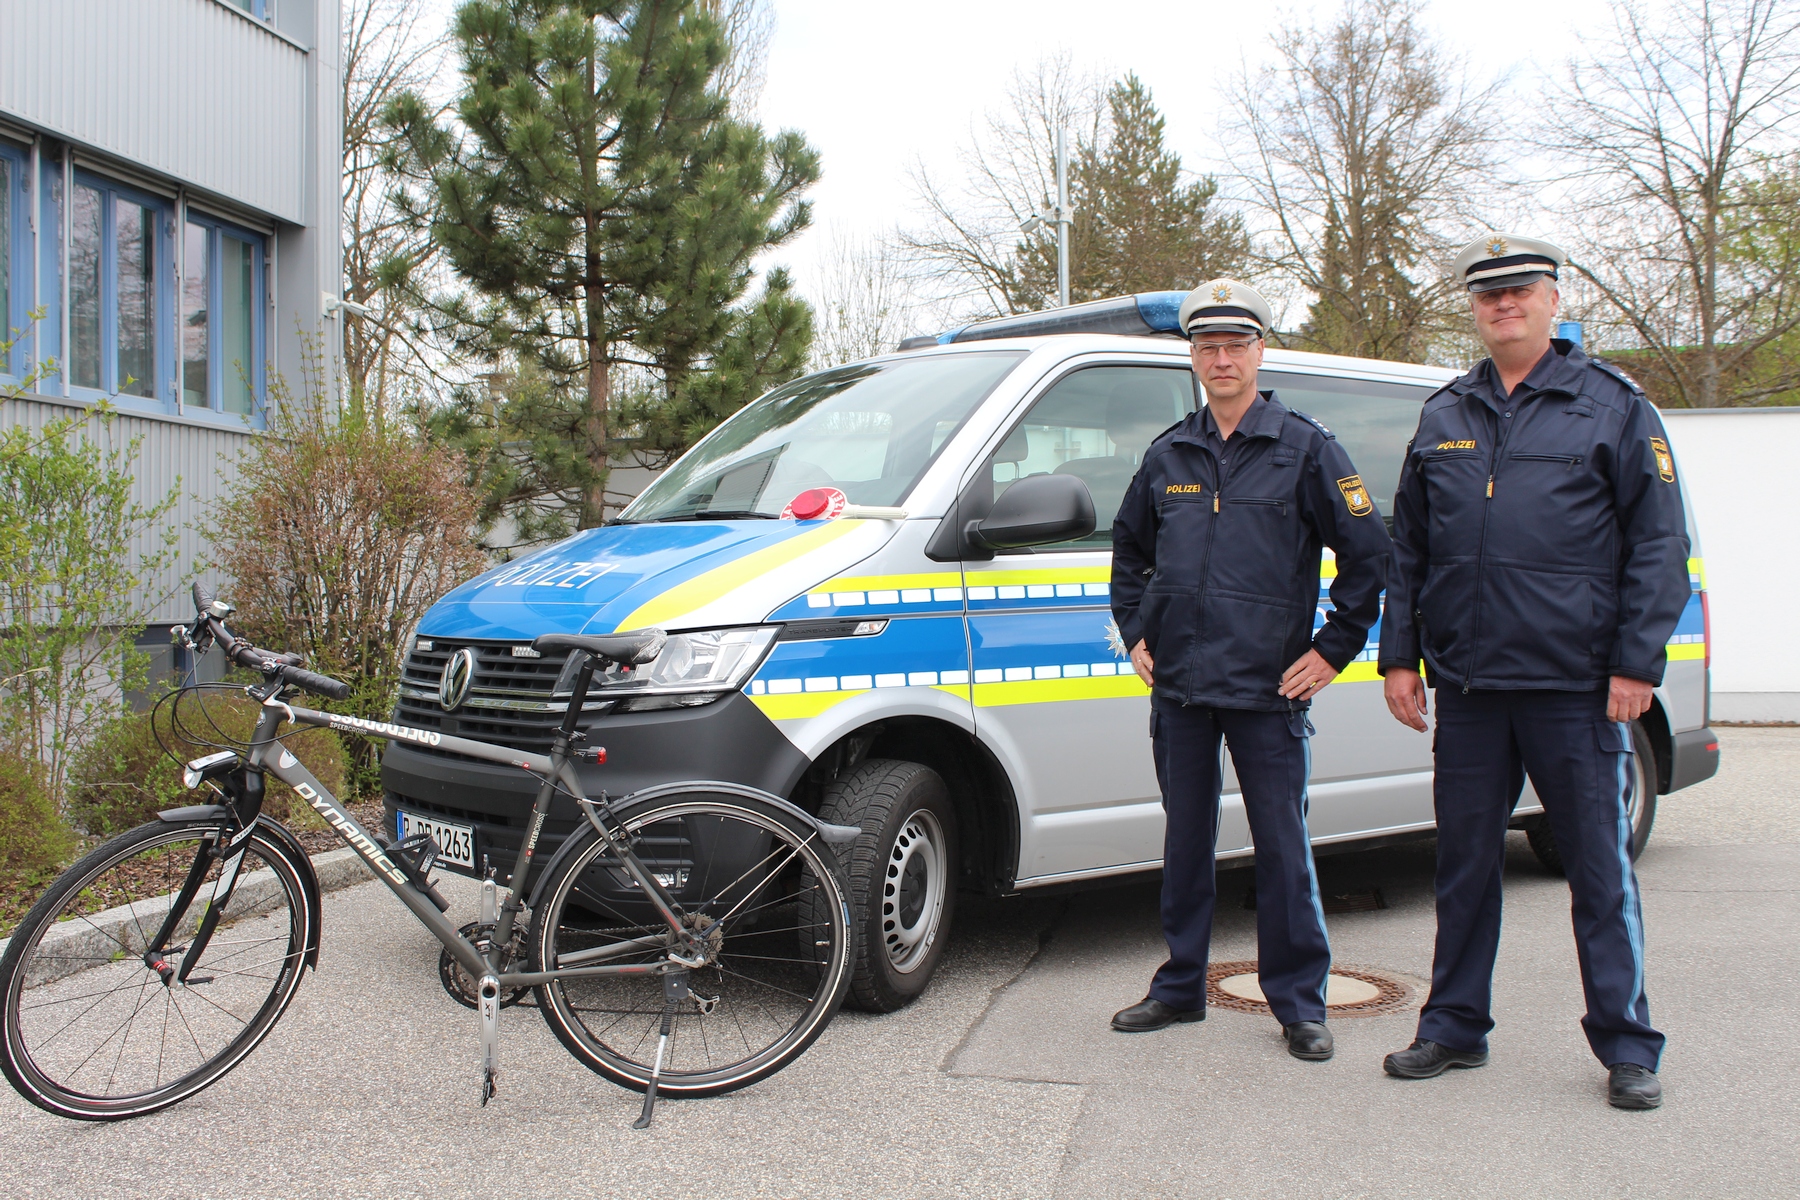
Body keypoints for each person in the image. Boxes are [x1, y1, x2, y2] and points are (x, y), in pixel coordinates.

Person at [1377, 233, 1690, 1110]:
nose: (1503, 304)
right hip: (1472, 690)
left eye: (1520, 290)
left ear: (1555, 299)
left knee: (1597, 870)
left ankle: (1628, 1045)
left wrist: (1636, 662)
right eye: (1488, 294)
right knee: (1464, 870)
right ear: (1473, 308)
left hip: (1575, 687)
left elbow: (1660, 545)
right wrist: (1400, 657)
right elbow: (1412, 549)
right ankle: (1452, 1027)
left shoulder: (1615, 407)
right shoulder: (1445, 413)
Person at [1109, 279, 1393, 1061]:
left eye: (1236, 345)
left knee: (1281, 846)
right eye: (1208, 346)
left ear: (1260, 351)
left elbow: (1370, 556)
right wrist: (1135, 631)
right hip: (1183, 691)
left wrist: (1333, 649)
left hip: (1270, 690)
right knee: (1186, 843)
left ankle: (1300, 1002)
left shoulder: (1306, 447)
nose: (1222, 358)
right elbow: (1130, 551)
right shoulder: (1170, 452)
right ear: (1194, 357)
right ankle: (1178, 988)